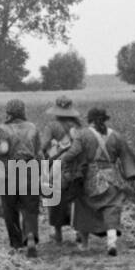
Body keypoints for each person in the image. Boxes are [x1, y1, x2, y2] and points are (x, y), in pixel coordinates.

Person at [61, 106, 135, 256]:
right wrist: (131, 175)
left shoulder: (83, 135)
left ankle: (84, 244)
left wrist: (64, 162)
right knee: (111, 208)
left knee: (83, 208)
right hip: (112, 178)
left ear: (89, 119)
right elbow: (127, 158)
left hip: (90, 179)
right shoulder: (116, 136)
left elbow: (73, 153)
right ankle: (111, 242)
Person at [0, 99, 43, 257]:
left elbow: (2, 149)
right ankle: (31, 237)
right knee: (30, 207)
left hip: (8, 172)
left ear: (8, 112)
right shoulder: (32, 127)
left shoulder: (2, 129)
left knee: (10, 208)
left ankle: (17, 244)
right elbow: (39, 152)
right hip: (29, 169)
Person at [41, 96, 84, 244]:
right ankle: (78, 230)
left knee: (55, 199)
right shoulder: (78, 127)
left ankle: (57, 233)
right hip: (77, 166)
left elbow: (44, 145)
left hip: (57, 166)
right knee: (76, 198)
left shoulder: (52, 126)